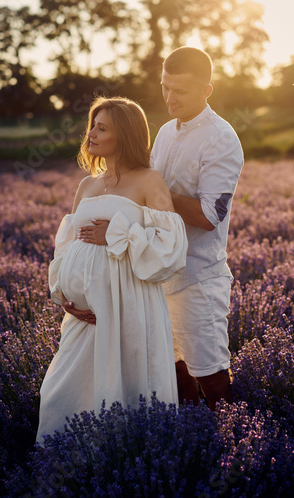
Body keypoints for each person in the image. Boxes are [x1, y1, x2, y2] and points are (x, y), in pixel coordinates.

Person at [36, 96, 188, 446]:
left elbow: (171, 247)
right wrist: (63, 295)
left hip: (130, 305)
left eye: (102, 128)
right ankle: (66, 464)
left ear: (126, 135)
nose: (91, 134)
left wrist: (118, 234)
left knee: (127, 385)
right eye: (92, 125)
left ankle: (126, 465)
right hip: (84, 315)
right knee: (62, 390)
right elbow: (68, 244)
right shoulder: (87, 185)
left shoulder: (149, 181)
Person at [151, 46, 244, 410]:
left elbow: (208, 216)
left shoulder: (221, 137)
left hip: (198, 277)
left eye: (181, 91)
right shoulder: (163, 132)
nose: (170, 98)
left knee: (212, 375)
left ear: (207, 89)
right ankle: (192, 444)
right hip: (160, 274)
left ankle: (232, 450)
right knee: (174, 370)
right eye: (165, 87)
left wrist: (156, 193)